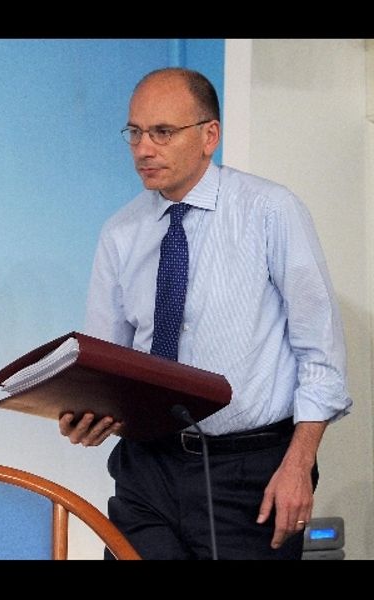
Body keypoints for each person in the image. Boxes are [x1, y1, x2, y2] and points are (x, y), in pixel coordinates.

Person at [59, 67, 352, 560]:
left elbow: (321, 355)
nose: (143, 149)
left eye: (162, 132)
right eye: (135, 132)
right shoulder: (120, 232)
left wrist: (299, 464)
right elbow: (108, 362)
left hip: (248, 473)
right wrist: (88, 412)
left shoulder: (271, 211)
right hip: (147, 470)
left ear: (209, 136)